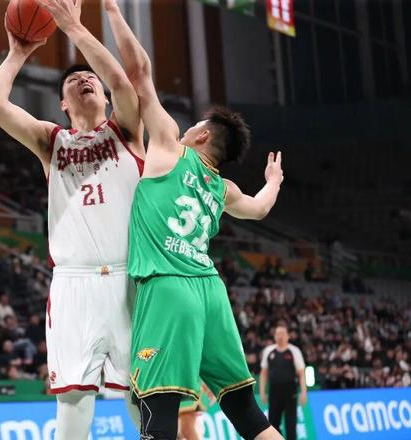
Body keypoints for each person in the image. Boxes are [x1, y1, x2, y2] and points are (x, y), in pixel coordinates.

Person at [103, 1, 285, 438]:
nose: (184, 128)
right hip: (210, 291)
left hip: (168, 287)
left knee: (157, 413)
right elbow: (260, 208)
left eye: (193, 126)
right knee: (246, 411)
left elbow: (139, 72)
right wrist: (274, 181)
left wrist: (111, 10)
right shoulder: (224, 189)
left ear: (201, 135)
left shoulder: (170, 147)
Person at [0, 0, 145, 437]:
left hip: (131, 279)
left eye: (90, 77)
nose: (84, 79)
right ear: (62, 103)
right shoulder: (50, 141)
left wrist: (73, 27)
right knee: (73, 400)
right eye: (73, 80)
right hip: (73, 282)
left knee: (143, 395)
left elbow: (121, 80)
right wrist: (18, 53)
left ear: (105, 95)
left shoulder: (128, 130)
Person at [260, 325, 307, 440]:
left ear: (287, 336)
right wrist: (262, 391)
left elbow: (301, 373)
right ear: (274, 336)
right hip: (274, 391)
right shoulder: (268, 351)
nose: (280, 336)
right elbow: (264, 373)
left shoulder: (294, 351)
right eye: (277, 334)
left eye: (282, 333)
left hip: (290, 391)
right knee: (273, 423)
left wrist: (303, 392)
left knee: (291, 423)